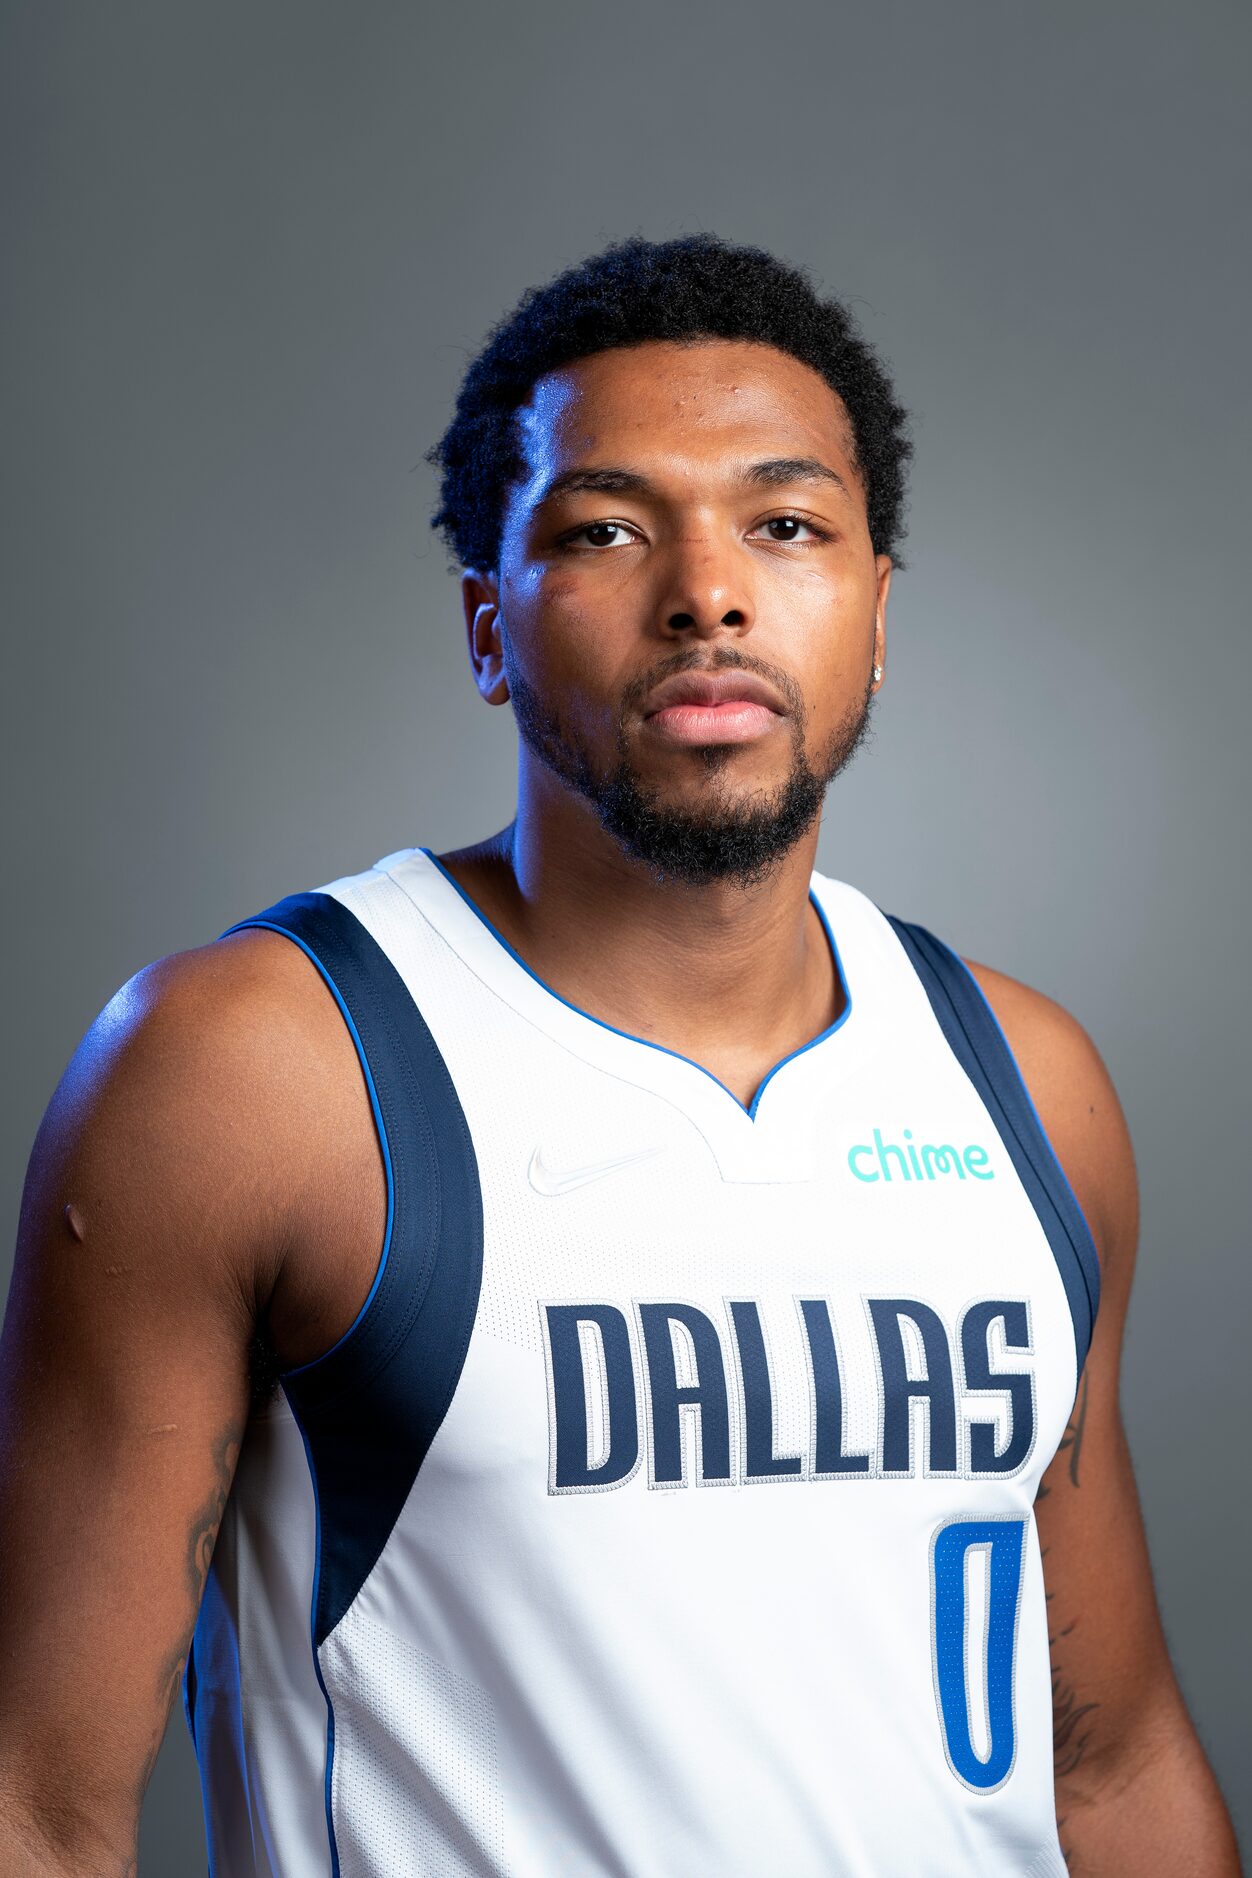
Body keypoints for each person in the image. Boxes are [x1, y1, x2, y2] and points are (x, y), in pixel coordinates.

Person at [0, 234, 1238, 1878]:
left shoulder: (1022, 1077)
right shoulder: (264, 1068)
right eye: (605, 530)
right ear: (488, 625)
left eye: (786, 525)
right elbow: (38, 1794)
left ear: (877, 615)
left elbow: (1114, 1753)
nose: (709, 592)